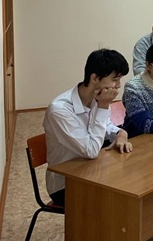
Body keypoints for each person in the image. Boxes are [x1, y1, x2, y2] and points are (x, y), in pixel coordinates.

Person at [43, 49, 133, 206]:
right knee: (121, 198)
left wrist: (120, 132)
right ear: (94, 78)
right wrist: (104, 106)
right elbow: (91, 150)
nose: (118, 85)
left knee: (133, 180)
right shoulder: (60, 110)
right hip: (65, 184)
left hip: (95, 170)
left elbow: (106, 125)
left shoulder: (98, 98)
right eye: (115, 79)